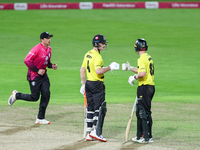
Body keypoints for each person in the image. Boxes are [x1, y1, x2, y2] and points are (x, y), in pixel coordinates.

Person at [8, 31, 57, 125]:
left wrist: (51, 66)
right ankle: (16, 95)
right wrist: (37, 70)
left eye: (49, 38)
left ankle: (40, 118)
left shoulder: (49, 49)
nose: (49, 40)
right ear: (42, 40)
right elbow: (27, 61)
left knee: (46, 94)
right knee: (35, 97)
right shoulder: (36, 49)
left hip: (44, 76)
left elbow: (47, 62)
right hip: (34, 76)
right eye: (47, 38)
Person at [80, 34, 119, 142]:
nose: (104, 45)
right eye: (102, 43)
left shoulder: (88, 54)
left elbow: (81, 71)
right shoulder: (98, 57)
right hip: (97, 84)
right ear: (96, 44)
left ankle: (89, 133)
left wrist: (83, 85)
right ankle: (96, 132)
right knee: (100, 108)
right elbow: (98, 71)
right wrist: (110, 67)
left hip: (88, 84)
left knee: (90, 108)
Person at [122, 38, 155, 143]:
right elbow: (143, 70)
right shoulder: (148, 57)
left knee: (143, 112)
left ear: (137, 47)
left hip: (144, 87)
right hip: (150, 87)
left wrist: (134, 77)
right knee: (144, 112)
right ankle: (143, 135)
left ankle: (145, 137)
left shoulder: (141, 59)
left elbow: (142, 74)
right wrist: (130, 68)